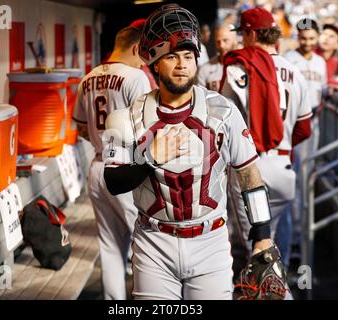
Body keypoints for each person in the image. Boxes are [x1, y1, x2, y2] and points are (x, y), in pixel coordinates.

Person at [103, 4, 286, 300]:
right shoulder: (125, 117)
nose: (181, 64)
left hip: (210, 240)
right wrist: (150, 159)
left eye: (188, 56)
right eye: (171, 56)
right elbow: (113, 181)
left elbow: (249, 175)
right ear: (154, 62)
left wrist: (262, 234)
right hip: (154, 241)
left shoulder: (223, 111)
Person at [220, 8, 311, 270]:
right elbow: (304, 129)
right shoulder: (295, 71)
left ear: (250, 33)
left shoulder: (237, 68)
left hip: (250, 169)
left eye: (243, 34)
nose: (241, 40)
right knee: (272, 248)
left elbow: (224, 126)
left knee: (257, 253)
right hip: (283, 167)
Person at [72, 24, 151, 300]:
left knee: (110, 247)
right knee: (147, 245)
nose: (146, 60)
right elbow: (147, 130)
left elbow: (81, 128)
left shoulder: (88, 77)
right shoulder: (136, 76)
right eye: (144, 53)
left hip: (97, 166)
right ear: (135, 48)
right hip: (126, 169)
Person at [283, 19, 327, 257]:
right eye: (304, 38)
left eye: (311, 38)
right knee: (297, 180)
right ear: (297, 36)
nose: (308, 43)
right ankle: (296, 236)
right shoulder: (289, 58)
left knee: (307, 178)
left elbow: (321, 91)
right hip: (295, 126)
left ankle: (301, 235)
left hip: (315, 123)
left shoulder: (320, 61)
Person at [196, 23, 237, 92]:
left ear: (235, 40)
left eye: (225, 40)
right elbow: (200, 99)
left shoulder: (244, 66)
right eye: (218, 41)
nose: (221, 45)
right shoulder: (205, 69)